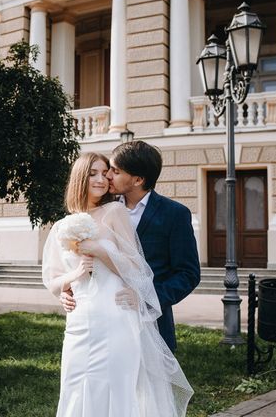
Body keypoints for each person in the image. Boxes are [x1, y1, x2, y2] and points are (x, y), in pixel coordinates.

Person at [43, 152, 192, 417]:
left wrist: (99, 250)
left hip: (117, 317)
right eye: (95, 173)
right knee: (75, 387)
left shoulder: (116, 211)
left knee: (119, 391)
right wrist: (69, 283)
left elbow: (138, 269)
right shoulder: (61, 227)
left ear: (138, 179)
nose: (104, 178)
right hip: (79, 321)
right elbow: (54, 280)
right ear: (79, 178)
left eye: (108, 172)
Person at [60, 141, 201, 352]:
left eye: (115, 171)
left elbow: (188, 274)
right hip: (105, 322)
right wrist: (69, 289)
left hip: (152, 323)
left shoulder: (174, 214)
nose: (107, 176)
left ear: (138, 179)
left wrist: (146, 297)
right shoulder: (103, 209)